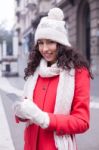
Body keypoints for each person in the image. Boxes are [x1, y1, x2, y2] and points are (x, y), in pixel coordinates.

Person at [13, 7, 93, 150]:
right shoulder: (35, 69)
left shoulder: (78, 72)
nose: (44, 49)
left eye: (50, 42)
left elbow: (82, 121)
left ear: (61, 43)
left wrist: (45, 119)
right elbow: (29, 111)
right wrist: (22, 113)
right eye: (40, 43)